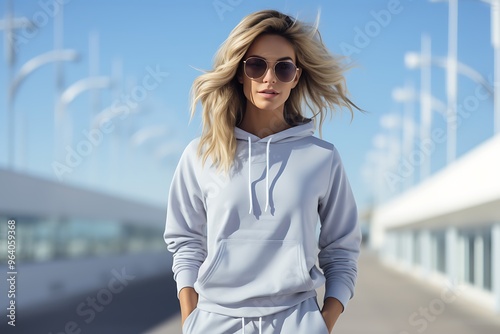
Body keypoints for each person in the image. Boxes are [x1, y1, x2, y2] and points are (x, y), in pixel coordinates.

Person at [164, 9, 361, 334]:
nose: (270, 78)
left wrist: (323, 322)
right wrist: (190, 318)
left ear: (296, 77)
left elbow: (342, 247)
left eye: (283, 68)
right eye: (257, 65)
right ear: (240, 72)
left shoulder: (321, 157)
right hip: (214, 321)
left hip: (297, 322)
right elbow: (185, 240)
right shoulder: (201, 155)